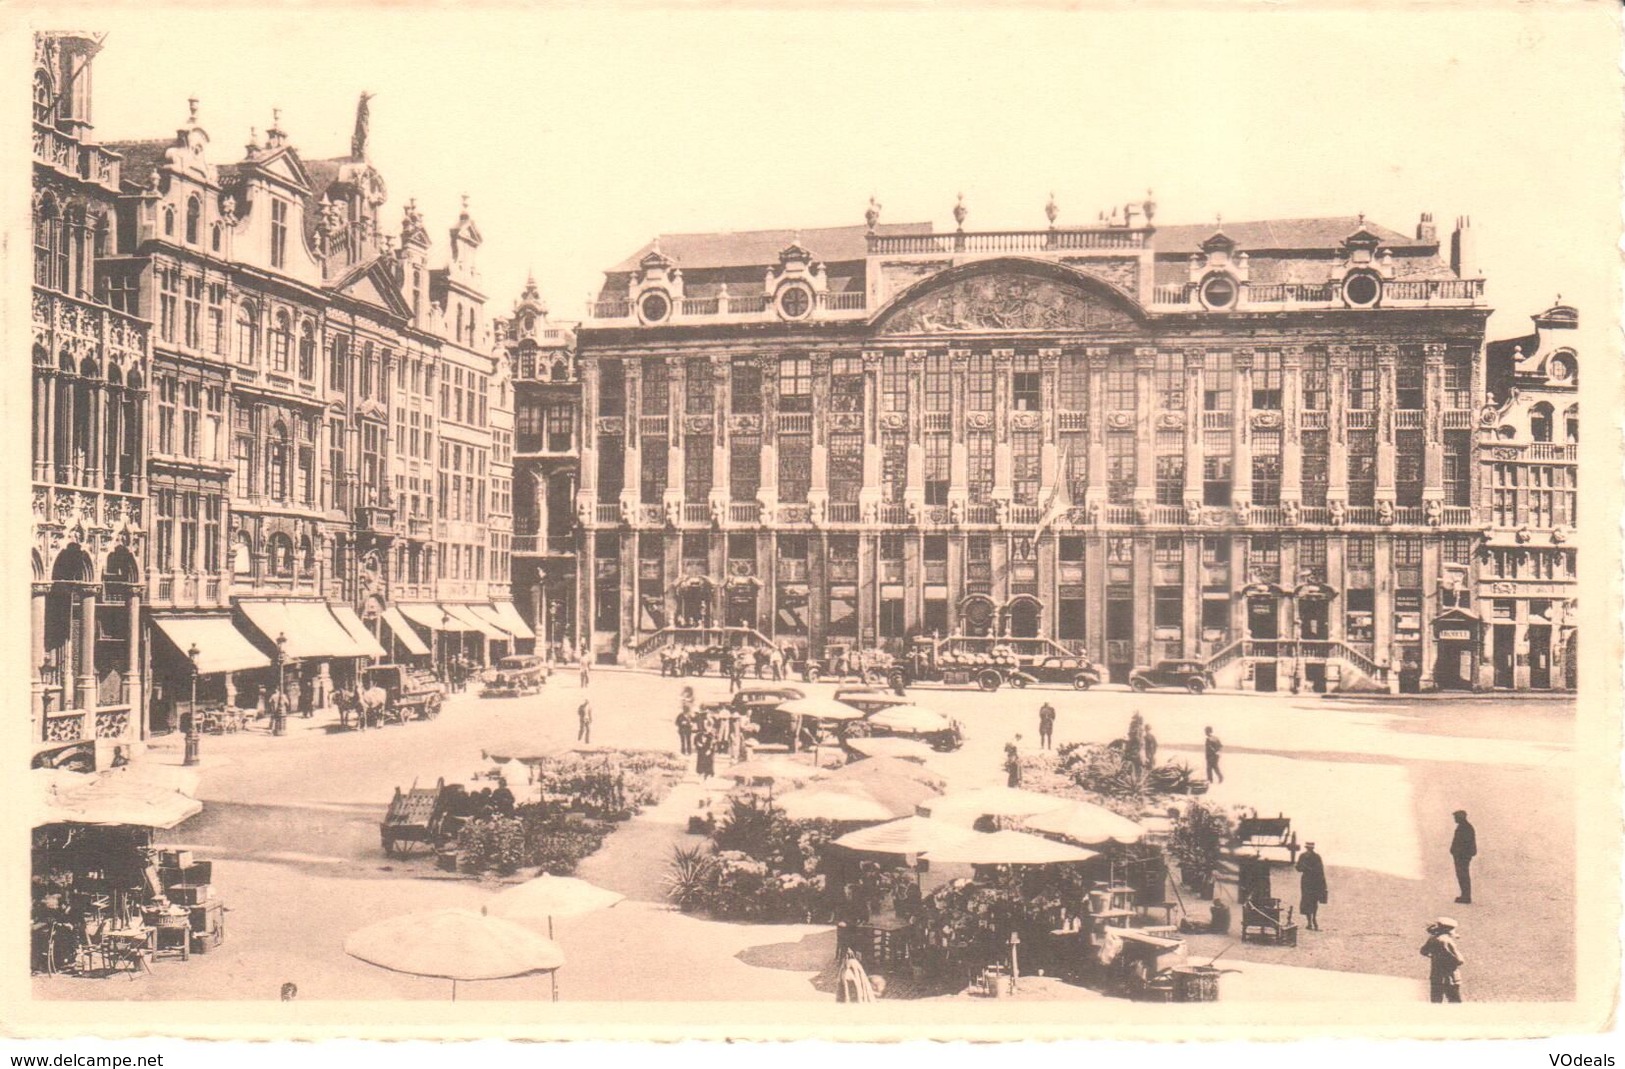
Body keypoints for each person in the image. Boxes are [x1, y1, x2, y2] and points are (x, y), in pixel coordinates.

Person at [1420, 917, 1464, 1002]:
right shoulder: (1447, 941)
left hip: (1436, 976)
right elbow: (1460, 960)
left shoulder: (1433, 938)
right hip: (1450, 977)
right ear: (1449, 929)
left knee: (1436, 1002)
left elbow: (1423, 951)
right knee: (1454, 1002)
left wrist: (1434, 956)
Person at [1295, 841, 1327, 931]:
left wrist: (1304, 868)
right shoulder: (1314, 857)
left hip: (1310, 881)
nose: (1309, 850)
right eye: (1309, 848)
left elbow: (1319, 870)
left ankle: (1311, 920)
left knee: (1310, 900)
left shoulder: (1307, 856)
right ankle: (1311, 920)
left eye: (1310, 848)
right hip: (1311, 881)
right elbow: (1298, 868)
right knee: (1310, 901)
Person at [1450, 810, 1477, 904]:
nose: (1454, 819)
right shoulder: (1465, 827)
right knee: (1462, 875)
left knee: (1463, 875)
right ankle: (1465, 895)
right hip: (1462, 855)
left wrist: (1456, 851)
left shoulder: (1464, 828)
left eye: (1455, 817)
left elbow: (1463, 843)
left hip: (1462, 856)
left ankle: (1466, 896)